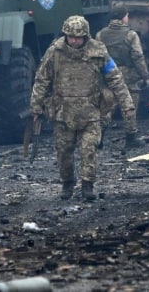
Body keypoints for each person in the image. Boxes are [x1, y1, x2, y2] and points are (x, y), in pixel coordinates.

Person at [30, 14, 138, 201]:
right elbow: (42, 80)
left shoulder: (98, 51)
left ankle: (88, 185)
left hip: (91, 111)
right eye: (70, 37)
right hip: (63, 111)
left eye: (78, 37)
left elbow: (115, 79)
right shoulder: (55, 51)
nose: (74, 41)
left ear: (85, 36)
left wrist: (127, 104)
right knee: (64, 152)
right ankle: (67, 184)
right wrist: (36, 106)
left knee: (89, 149)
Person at [95, 9, 149, 123]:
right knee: (130, 107)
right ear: (123, 17)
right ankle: (131, 135)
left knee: (108, 107)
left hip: (107, 74)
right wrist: (145, 76)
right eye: (127, 16)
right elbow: (138, 57)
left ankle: (99, 134)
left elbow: (97, 57)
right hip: (128, 76)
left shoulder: (100, 34)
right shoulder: (131, 35)